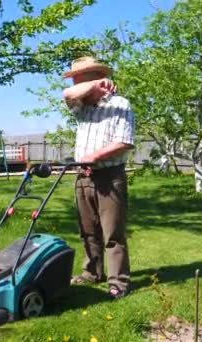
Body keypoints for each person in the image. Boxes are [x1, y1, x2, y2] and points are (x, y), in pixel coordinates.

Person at [62, 56, 135, 299]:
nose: (74, 85)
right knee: (87, 230)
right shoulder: (80, 106)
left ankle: (118, 282)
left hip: (109, 177)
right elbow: (67, 94)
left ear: (94, 77)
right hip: (83, 177)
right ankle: (92, 273)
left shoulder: (120, 104)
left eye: (78, 79)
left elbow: (124, 142)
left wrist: (94, 156)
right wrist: (91, 87)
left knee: (112, 234)